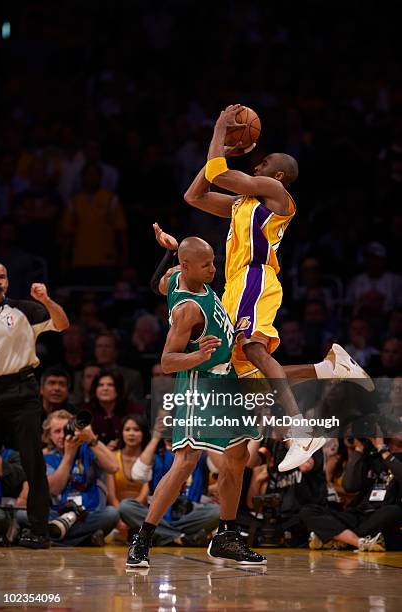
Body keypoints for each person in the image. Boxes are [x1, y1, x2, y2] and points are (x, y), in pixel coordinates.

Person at [184, 103, 373, 471]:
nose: (257, 163)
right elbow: (194, 196)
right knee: (249, 371)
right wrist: (219, 149)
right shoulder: (243, 202)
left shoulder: (274, 192)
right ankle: (328, 368)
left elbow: (219, 174)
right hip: (235, 284)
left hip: (255, 276)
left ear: (280, 173)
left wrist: (220, 131)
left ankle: (300, 429)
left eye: (265, 160)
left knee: (253, 348)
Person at [126, 232, 267, 568]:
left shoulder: (178, 276)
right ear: (188, 266)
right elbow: (166, 362)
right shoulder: (188, 311)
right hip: (198, 384)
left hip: (225, 378)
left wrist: (171, 252)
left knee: (236, 456)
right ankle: (142, 540)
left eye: (213, 262)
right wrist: (198, 356)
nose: (213, 269)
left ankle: (227, 537)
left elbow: (159, 285)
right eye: (205, 265)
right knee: (186, 462)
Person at [0, 262, 69, 548]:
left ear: (8, 281)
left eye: (2, 276)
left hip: (21, 391)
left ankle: (38, 530)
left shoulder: (25, 310)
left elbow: (62, 324)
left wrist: (47, 300)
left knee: (33, 462)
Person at [33, 409, 120, 546]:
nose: (62, 435)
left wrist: (91, 439)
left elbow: (114, 467)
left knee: (111, 514)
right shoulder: (47, 458)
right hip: (58, 515)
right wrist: (69, 455)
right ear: (49, 435)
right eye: (56, 431)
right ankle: (86, 539)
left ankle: (55, 538)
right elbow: (54, 490)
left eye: (66, 429)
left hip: (89, 515)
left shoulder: (90, 449)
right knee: (26, 515)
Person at [88, 370, 145, 450]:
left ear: (118, 389)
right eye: (100, 385)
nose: (105, 388)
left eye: (110, 385)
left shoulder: (133, 409)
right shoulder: (86, 411)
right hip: (94, 456)